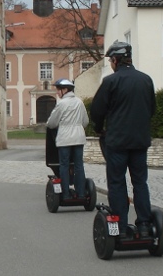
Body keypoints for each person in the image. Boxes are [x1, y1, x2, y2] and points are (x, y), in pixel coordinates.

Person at [90, 41, 156, 239]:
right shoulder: (146, 80)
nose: (111, 63)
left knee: (117, 182)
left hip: (117, 142)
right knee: (140, 183)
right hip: (139, 142)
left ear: (116, 60)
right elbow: (152, 109)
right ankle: (144, 224)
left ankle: (120, 224)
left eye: (111, 60)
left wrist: (99, 127)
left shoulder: (111, 82)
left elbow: (97, 110)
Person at [46, 78, 89, 200]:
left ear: (65, 90)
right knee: (78, 165)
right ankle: (81, 194)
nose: (57, 93)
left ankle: (65, 194)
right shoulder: (79, 102)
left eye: (58, 90)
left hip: (65, 138)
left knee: (64, 165)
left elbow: (52, 123)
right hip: (79, 138)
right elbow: (85, 121)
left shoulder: (61, 104)